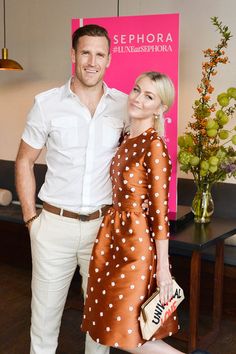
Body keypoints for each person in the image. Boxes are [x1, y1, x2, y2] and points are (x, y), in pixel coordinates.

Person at [15, 24, 128, 354]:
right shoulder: (46, 104)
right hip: (53, 227)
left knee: (99, 324)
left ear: (109, 59)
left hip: (103, 228)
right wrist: (30, 220)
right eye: (85, 53)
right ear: (73, 55)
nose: (92, 61)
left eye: (100, 54)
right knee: (45, 321)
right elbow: (24, 161)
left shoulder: (124, 106)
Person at [81, 72, 211, 354]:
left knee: (128, 332)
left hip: (136, 245)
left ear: (161, 107)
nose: (138, 98)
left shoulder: (154, 146)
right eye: (137, 90)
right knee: (116, 327)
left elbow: (160, 213)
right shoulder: (127, 137)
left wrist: (163, 270)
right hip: (113, 236)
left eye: (149, 96)